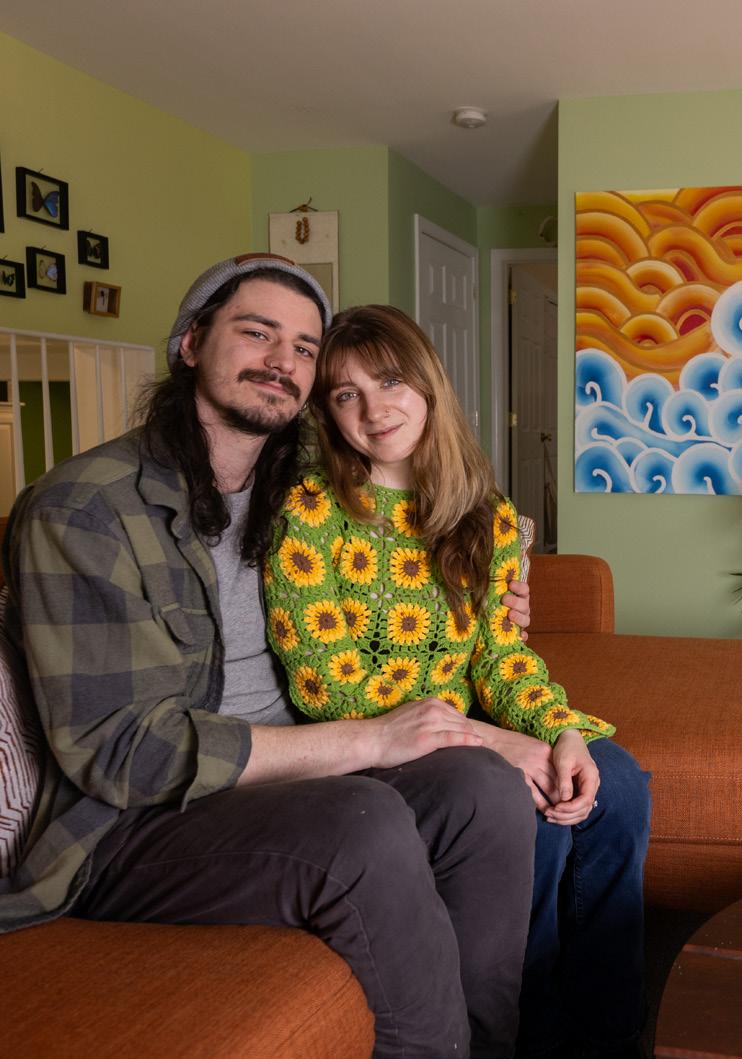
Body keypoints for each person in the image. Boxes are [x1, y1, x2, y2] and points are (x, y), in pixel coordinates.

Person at [0, 253, 541, 1059]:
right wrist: (366, 739)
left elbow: (424, 517)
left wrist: (501, 581)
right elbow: (120, 753)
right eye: (256, 332)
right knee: (362, 825)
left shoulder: (301, 489)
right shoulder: (84, 508)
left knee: (481, 788)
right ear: (191, 342)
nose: (282, 360)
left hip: (291, 778)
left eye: (303, 346)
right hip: (133, 824)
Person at [264, 305, 652, 1059]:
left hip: (472, 730)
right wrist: (489, 741)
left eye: (390, 381)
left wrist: (558, 729)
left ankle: (607, 1031)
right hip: (376, 745)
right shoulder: (309, 509)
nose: (374, 409)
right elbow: (327, 684)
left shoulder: (488, 516)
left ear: (428, 385)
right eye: (345, 394)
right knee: (527, 805)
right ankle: (534, 1022)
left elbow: (502, 657)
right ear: (326, 412)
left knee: (619, 781)